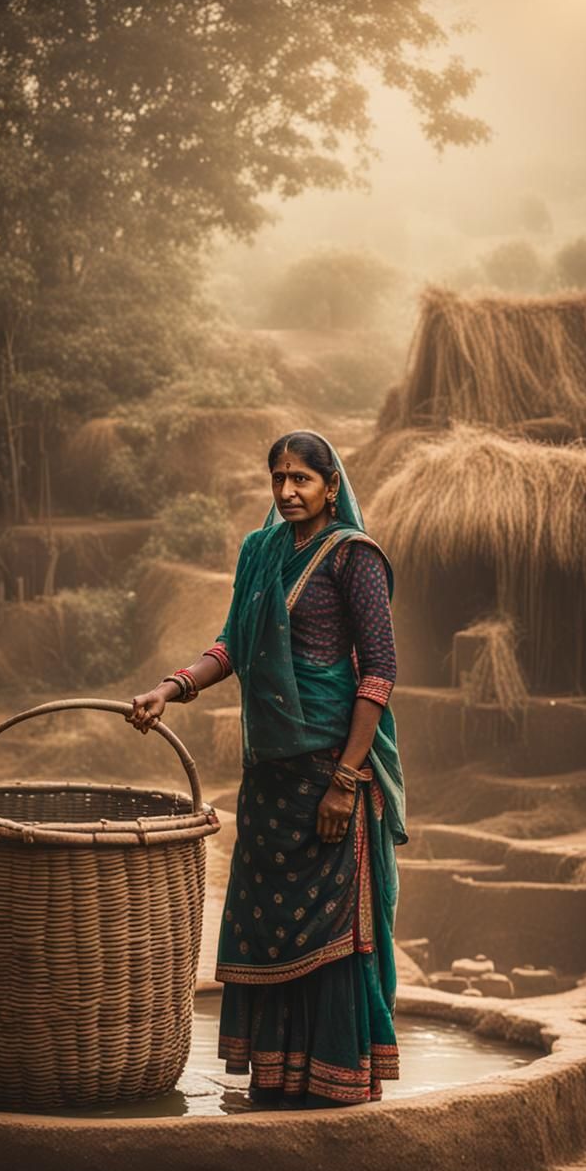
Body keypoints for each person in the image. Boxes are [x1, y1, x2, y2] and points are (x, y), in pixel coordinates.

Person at [129, 431, 406, 1108]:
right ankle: (279, 1076)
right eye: (278, 477)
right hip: (269, 778)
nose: (287, 491)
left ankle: (335, 1077)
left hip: (328, 770)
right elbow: (232, 643)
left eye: (302, 479)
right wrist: (172, 688)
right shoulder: (259, 554)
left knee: (331, 929)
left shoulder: (353, 558)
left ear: (331, 486)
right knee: (267, 920)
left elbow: (379, 672)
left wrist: (345, 781)